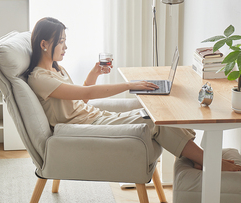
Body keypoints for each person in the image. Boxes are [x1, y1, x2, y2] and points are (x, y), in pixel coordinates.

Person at [25, 17, 241, 172]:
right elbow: (87, 92)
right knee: (157, 122)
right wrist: (129, 85)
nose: (65, 46)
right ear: (44, 44)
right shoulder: (40, 78)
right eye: (61, 41)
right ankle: (211, 163)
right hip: (85, 127)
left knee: (160, 112)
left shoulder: (56, 70)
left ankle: (200, 158)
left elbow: (82, 99)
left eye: (64, 40)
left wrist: (94, 72)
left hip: (95, 116)